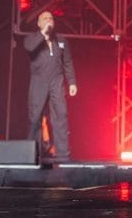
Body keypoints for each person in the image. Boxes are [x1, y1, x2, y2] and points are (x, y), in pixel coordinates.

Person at [22, 10, 77, 162]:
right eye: (45, 18)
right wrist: (43, 34)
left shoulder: (61, 40)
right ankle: (34, 153)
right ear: (39, 23)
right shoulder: (32, 38)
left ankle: (63, 154)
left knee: (61, 114)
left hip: (56, 81)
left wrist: (72, 82)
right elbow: (29, 48)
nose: (49, 20)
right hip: (39, 81)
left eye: (51, 18)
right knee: (35, 117)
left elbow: (67, 61)